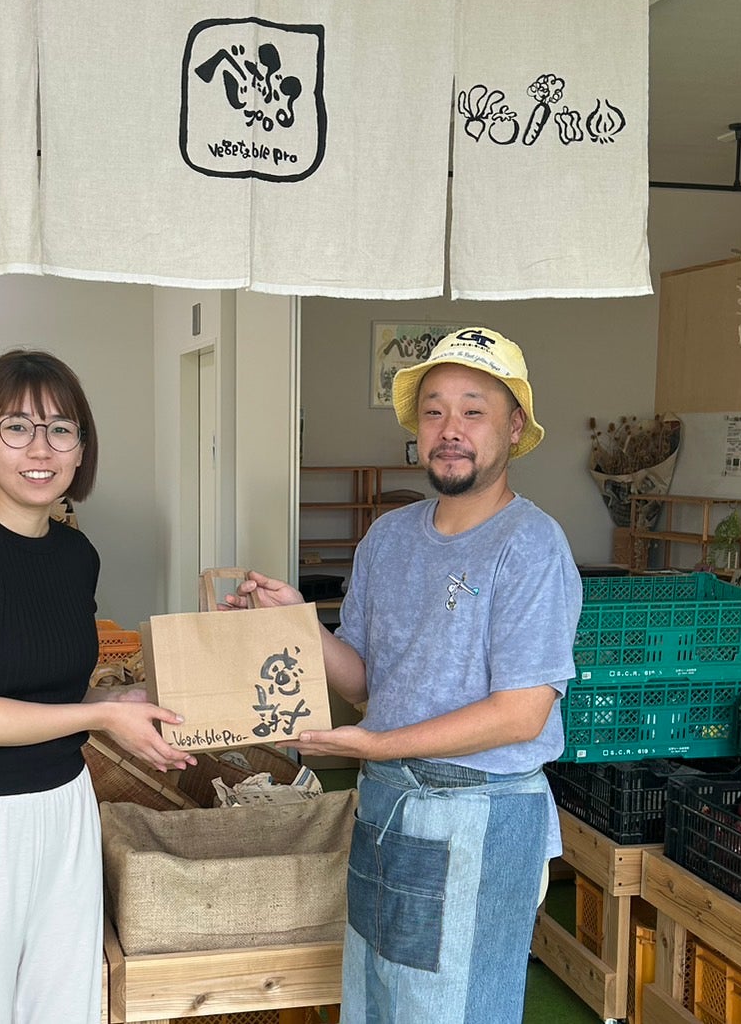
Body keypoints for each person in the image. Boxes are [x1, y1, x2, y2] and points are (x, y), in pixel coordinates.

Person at [227, 325, 580, 1024]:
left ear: (513, 428)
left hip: (478, 813)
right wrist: (297, 623)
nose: (451, 430)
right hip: (387, 803)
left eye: (473, 411)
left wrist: (375, 744)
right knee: (375, 1002)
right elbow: (364, 683)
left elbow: (521, 713)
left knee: (452, 1011)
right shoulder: (388, 538)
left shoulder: (530, 545)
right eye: (434, 411)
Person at [0, 348, 194, 1024]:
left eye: (61, 429)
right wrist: (100, 719)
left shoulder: (75, 555)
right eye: (16, 427)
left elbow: (49, 695)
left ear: (81, 449)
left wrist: (115, 704)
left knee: (61, 1007)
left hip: (63, 809)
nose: (41, 448)